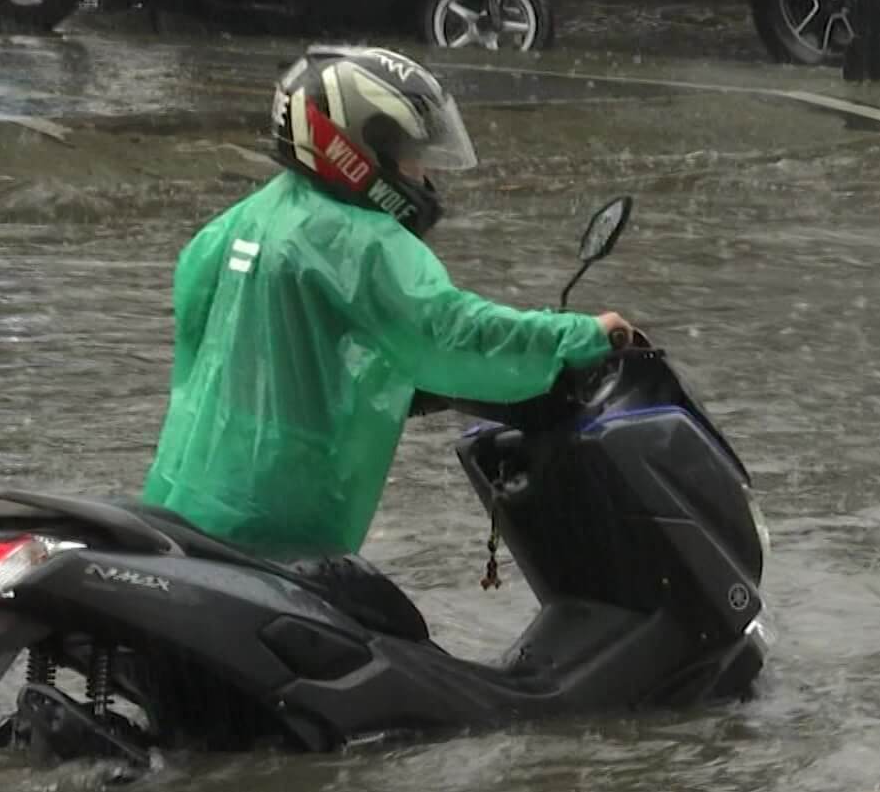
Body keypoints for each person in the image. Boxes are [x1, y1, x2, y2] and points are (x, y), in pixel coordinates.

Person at [141, 44, 632, 568]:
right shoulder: (357, 240)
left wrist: (397, 383)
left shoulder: (235, 225)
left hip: (189, 499)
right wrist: (584, 336)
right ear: (355, 149)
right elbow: (450, 333)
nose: (421, 174)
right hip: (274, 519)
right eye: (409, 152)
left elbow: (258, 355)